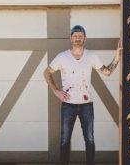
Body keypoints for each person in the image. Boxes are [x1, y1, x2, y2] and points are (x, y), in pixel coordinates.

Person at [44, 25, 121, 165]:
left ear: (85, 38)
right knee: (65, 139)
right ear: (71, 38)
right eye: (75, 36)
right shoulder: (63, 57)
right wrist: (56, 91)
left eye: (80, 36)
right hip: (68, 105)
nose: (78, 38)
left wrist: (117, 57)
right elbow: (47, 72)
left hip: (87, 105)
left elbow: (107, 72)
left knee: (89, 139)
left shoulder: (91, 56)